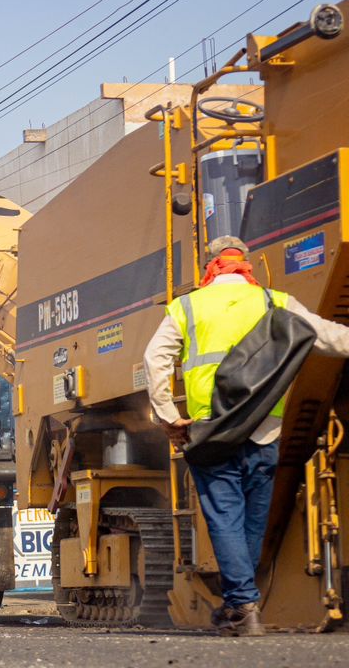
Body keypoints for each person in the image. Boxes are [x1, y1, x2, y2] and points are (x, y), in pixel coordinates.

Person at [144, 236, 349, 637]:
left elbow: (156, 360)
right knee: (253, 520)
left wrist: (169, 416)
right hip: (264, 431)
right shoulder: (275, 302)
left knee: (225, 518)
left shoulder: (187, 305)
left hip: (211, 430)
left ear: (210, 265)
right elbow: (330, 338)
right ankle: (242, 601)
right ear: (246, 265)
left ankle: (242, 605)